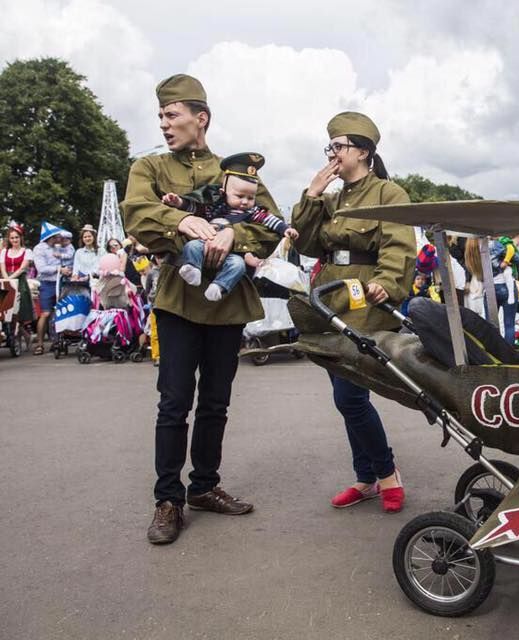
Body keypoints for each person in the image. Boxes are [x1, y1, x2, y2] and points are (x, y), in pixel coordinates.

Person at [122, 74, 282, 545]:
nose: (165, 124)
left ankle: (205, 487)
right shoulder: (149, 168)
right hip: (177, 300)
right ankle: (167, 499)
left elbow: (270, 226)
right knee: (173, 403)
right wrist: (182, 220)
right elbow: (138, 213)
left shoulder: (236, 171)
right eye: (161, 117)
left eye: (172, 115)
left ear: (200, 118)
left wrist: (237, 234)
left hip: (227, 304)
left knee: (216, 402)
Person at [291, 111, 416, 514]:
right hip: (330, 297)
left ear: (363, 151)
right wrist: (311, 196)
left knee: (350, 395)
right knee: (345, 394)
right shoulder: (331, 198)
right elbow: (307, 243)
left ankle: (386, 474)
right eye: (330, 147)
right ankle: (366, 478)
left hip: (364, 298)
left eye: (339, 146)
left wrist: (389, 281)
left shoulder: (388, 193)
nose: (333, 154)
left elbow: (399, 245)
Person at [162, 152, 299, 302]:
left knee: (238, 266)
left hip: (233, 254)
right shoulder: (214, 206)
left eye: (251, 197)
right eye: (240, 196)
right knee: (192, 246)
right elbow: (195, 208)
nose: (245, 202)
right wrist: (178, 202)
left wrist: (285, 229)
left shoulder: (252, 212)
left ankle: (219, 286)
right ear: (223, 192)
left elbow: (270, 220)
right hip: (205, 243)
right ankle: (192, 268)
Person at [32, 222, 72, 354]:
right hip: (47, 283)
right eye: (56, 236)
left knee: (59, 312)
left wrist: (67, 269)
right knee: (45, 313)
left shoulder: (58, 247)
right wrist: (59, 269)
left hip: (60, 283)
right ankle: (39, 343)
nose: (59, 238)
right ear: (50, 236)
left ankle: (56, 342)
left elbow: (67, 259)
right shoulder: (39, 249)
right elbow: (41, 269)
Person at [0, 223, 35, 342]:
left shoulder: (27, 251)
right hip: (6, 280)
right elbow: (3, 267)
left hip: (19, 280)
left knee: (19, 310)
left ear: (20, 238)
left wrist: (11, 279)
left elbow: (22, 268)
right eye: (12, 238)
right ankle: (18, 334)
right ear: (9, 239)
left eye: (16, 237)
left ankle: (21, 333)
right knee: (6, 309)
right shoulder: (5, 251)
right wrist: (7, 280)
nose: (14, 240)